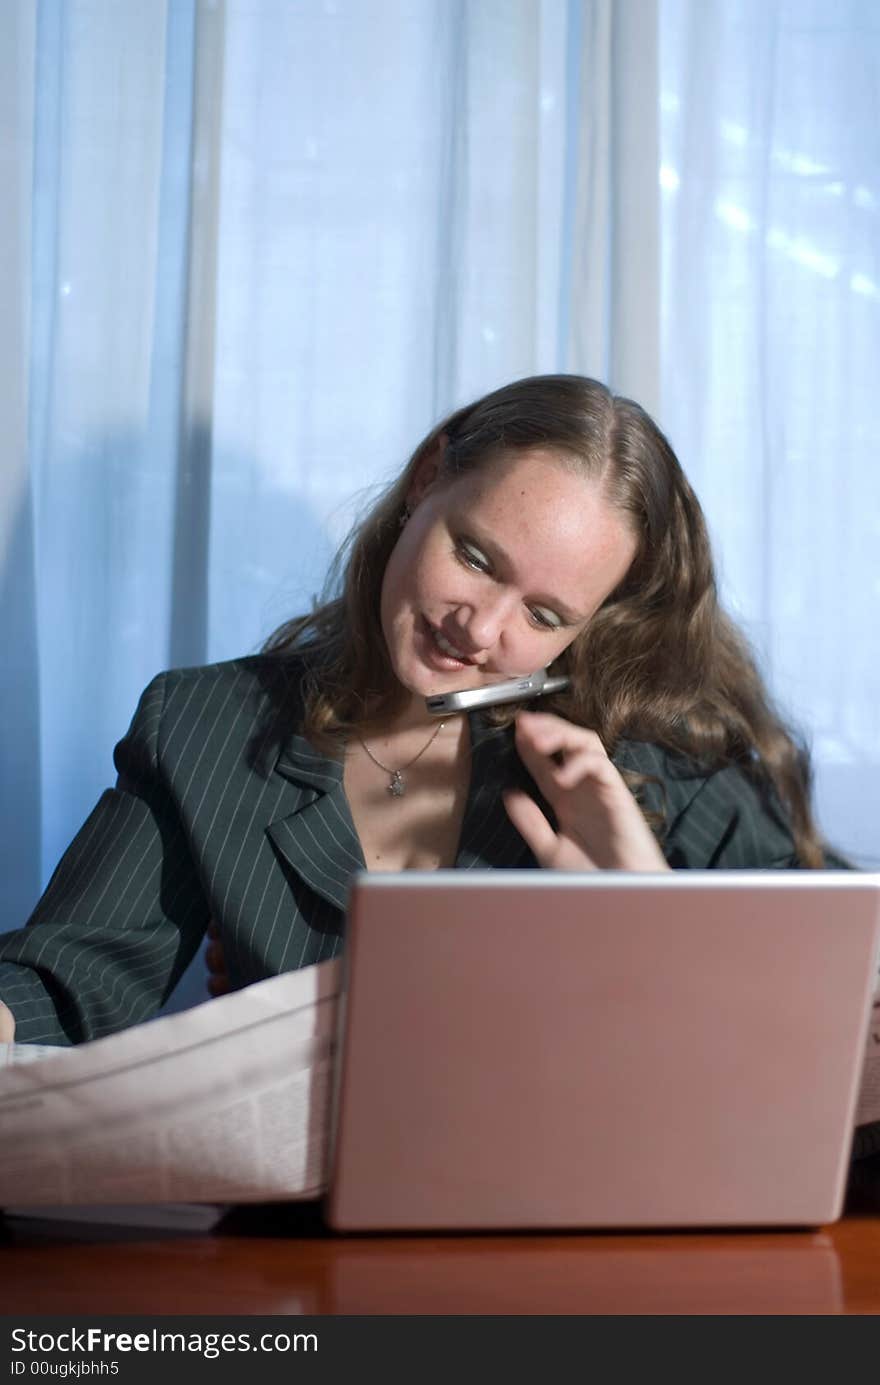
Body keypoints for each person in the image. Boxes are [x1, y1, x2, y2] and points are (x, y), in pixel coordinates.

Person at [0, 374, 848, 1057]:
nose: (479, 629)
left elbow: (843, 1016)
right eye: (475, 557)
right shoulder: (203, 724)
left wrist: (656, 922)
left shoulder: (656, 759)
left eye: (545, 617)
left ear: (595, 624)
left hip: (581, 1243)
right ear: (425, 480)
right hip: (291, 1244)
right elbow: (65, 982)